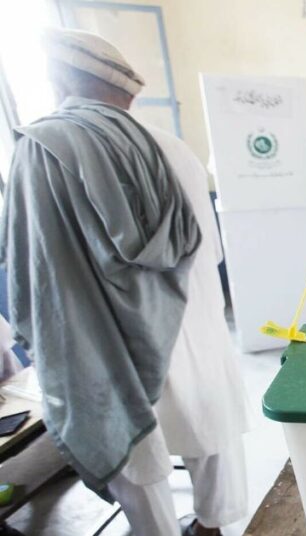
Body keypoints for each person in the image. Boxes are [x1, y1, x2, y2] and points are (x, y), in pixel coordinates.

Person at [0, 29, 250, 536]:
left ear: (61, 78)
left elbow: (36, 267)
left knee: (130, 439)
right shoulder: (173, 148)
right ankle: (211, 527)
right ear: (126, 91)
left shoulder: (39, 150)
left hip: (102, 339)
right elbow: (212, 255)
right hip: (190, 321)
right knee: (204, 417)